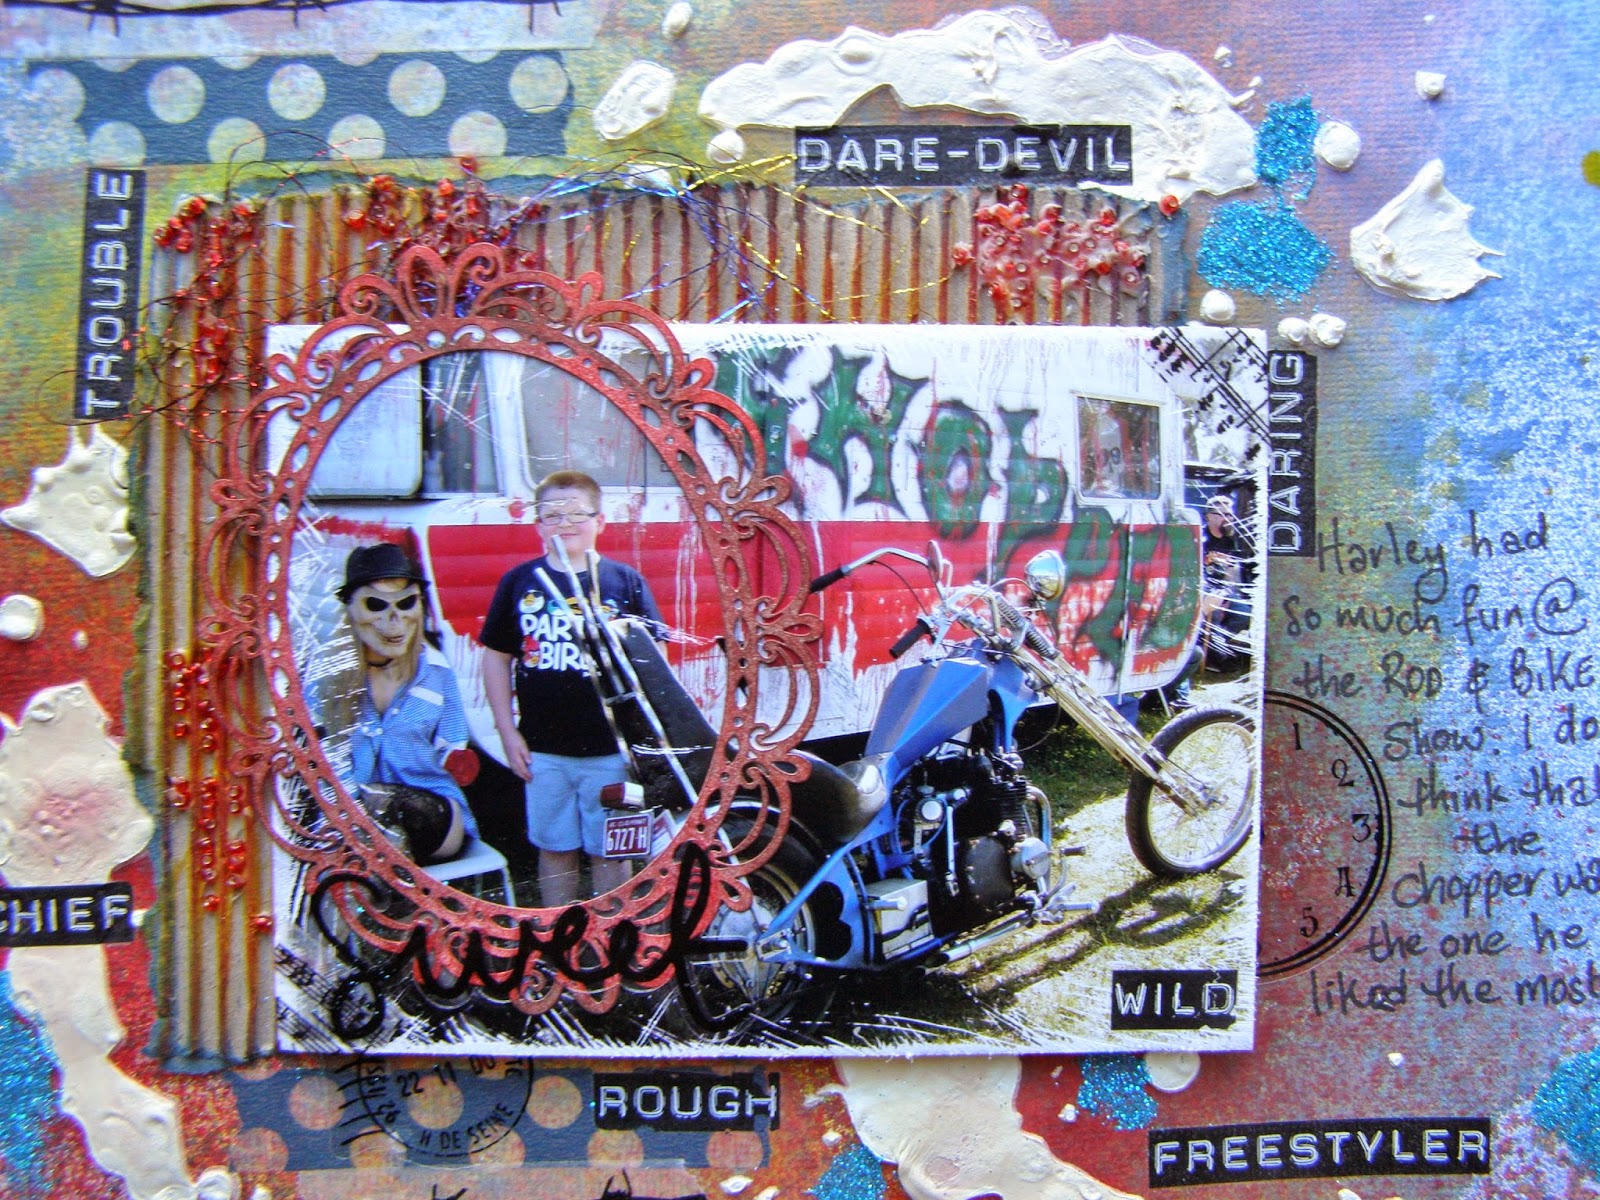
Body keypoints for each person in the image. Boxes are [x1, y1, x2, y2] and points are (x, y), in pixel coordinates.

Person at [478, 470, 664, 906]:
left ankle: (612, 931)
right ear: (537, 524)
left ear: (600, 521)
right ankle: (557, 932)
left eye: (577, 514)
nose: (565, 523)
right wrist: (507, 731)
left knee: (611, 851)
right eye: (553, 515)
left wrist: (644, 740)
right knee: (554, 849)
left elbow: (654, 662)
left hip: (611, 752)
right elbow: (496, 658)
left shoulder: (624, 582)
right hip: (543, 753)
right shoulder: (519, 582)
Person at [330, 542, 478, 864]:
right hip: (349, 824)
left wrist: (456, 760)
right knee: (360, 815)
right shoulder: (330, 679)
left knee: (381, 807)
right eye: (376, 605)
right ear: (350, 609)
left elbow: (452, 745)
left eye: (406, 603)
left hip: (429, 816)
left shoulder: (436, 672)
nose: (394, 619)